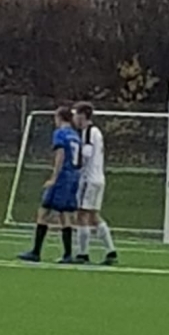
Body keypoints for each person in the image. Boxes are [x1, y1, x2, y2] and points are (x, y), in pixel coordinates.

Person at [18, 107, 81, 264]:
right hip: (73, 176)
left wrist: (54, 177)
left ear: (59, 118)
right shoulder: (75, 135)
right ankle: (68, 254)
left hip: (62, 177)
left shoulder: (60, 133)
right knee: (65, 214)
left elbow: (60, 155)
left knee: (43, 211)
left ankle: (36, 252)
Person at [72, 102, 118, 266]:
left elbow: (86, 154)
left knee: (82, 214)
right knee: (94, 215)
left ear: (82, 116)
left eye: (76, 115)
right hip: (99, 178)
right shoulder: (97, 132)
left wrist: (74, 164)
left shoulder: (89, 132)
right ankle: (111, 250)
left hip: (89, 179)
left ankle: (82, 253)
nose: (74, 118)